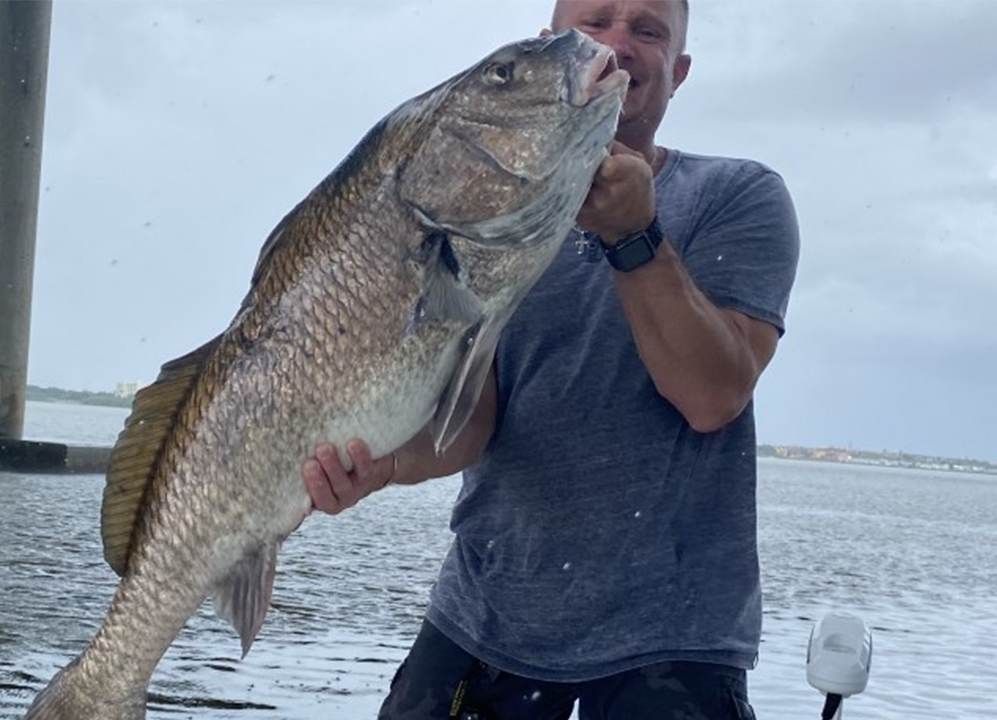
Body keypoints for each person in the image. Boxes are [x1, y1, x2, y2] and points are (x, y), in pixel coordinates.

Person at [302, 0, 799, 718]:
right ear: (545, 49)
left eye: (648, 31)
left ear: (679, 72)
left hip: (674, 647)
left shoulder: (739, 196)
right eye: (595, 23)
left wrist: (634, 235)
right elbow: (473, 425)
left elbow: (712, 395)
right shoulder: (496, 218)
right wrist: (388, 462)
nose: (618, 45)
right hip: (480, 624)